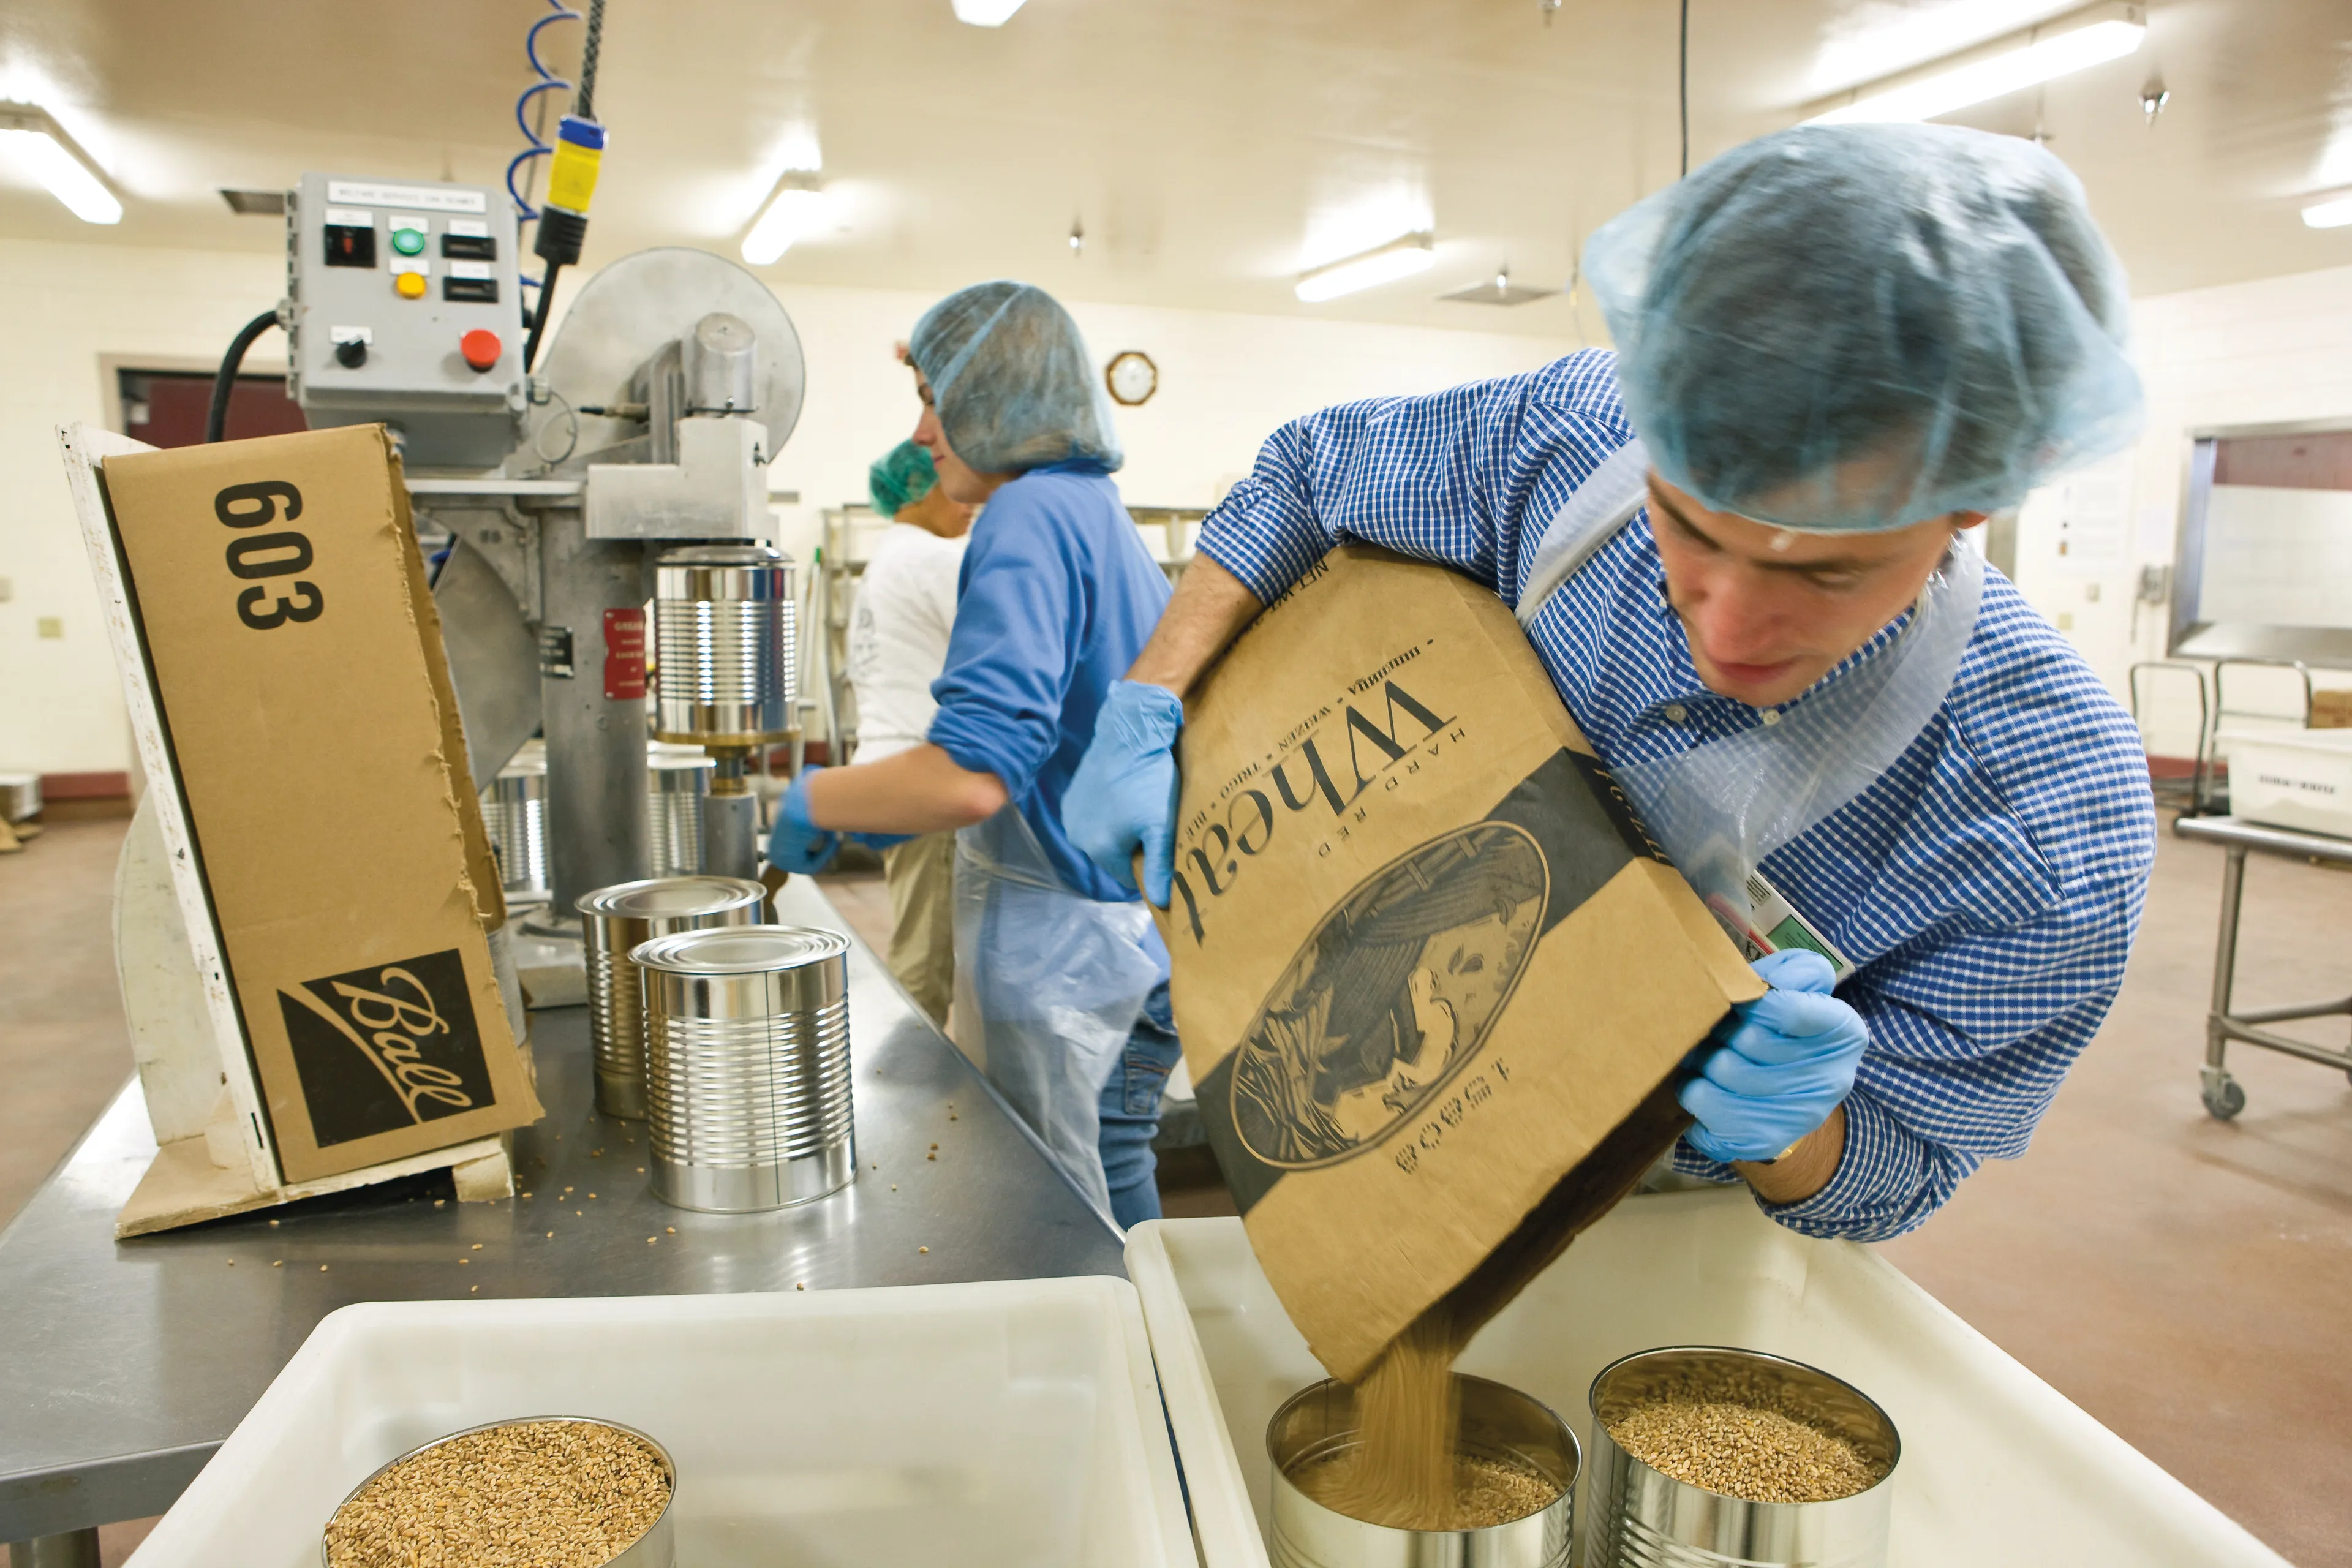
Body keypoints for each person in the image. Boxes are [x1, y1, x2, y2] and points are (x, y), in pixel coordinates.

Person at [1064, 123, 2158, 1242]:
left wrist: (1782, 1124)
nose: (1727, 626)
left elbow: (1896, 1172)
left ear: (1979, 496)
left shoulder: (2047, 821)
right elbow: (1307, 477)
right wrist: (1153, 694)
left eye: (1826, 572)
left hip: (1651, 1208)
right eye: (1686, 527)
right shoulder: (1570, 444)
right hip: (1371, 1034)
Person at [768, 281, 1180, 1228]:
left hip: (1069, 951)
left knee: (1062, 1203)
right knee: (1115, 1161)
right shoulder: (1095, 508)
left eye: (933, 398)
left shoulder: (1027, 517)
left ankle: (1113, 1366)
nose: (921, 434)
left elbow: (970, 775)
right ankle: (1157, 1360)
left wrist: (816, 799)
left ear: (999, 399)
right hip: (1134, 936)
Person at [846, 440, 975, 1025]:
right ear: (923, 489)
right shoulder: (931, 560)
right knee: (924, 961)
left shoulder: (886, 561)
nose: (967, 503)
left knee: (917, 935)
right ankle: (907, 1097)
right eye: (952, 483)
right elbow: (1004, 646)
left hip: (884, 771)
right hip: (922, 773)